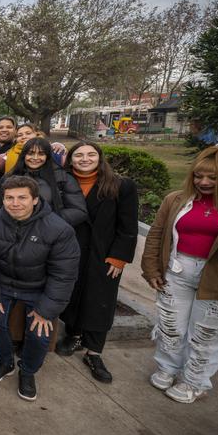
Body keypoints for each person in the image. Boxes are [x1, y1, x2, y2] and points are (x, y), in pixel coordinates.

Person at [141, 145, 218, 403]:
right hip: (177, 271)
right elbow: (157, 233)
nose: (203, 182)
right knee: (171, 326)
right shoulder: (176, 199)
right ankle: (168, 368)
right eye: (198, 176)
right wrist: (151, 268)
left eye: (213, 177)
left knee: (205, 334)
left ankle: (194, 381)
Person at [0, 176, 80, 401]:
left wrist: (46, 310)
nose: (15, 203)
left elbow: (63, 275)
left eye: (22, 198)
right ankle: (6, 362)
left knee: (39, 332)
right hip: (4, 284)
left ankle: (28, 371)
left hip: (38, 287)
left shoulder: (59, 229)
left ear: (35, 199)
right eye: (9, 198)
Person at [56, 141, 139, 383]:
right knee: (72, 294)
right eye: (78, 155)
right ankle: (73, 334)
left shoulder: (120, 186)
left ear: (100, 158)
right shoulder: (62, 183)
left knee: (100, 299)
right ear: (70, 160)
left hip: (103, 253)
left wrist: (120, 256)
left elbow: (128, 225)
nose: (84, 159)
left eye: (91, 154)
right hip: (70, 250)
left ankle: (94, 352)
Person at [3, 138, 87, 227]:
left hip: (50, 231)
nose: (35, 158)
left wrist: (46, 222)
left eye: (41, 154)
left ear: (47, 156)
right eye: (30, 153)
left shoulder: (63, 178)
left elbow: (79, 210)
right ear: (24, 155)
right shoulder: (9, 177)